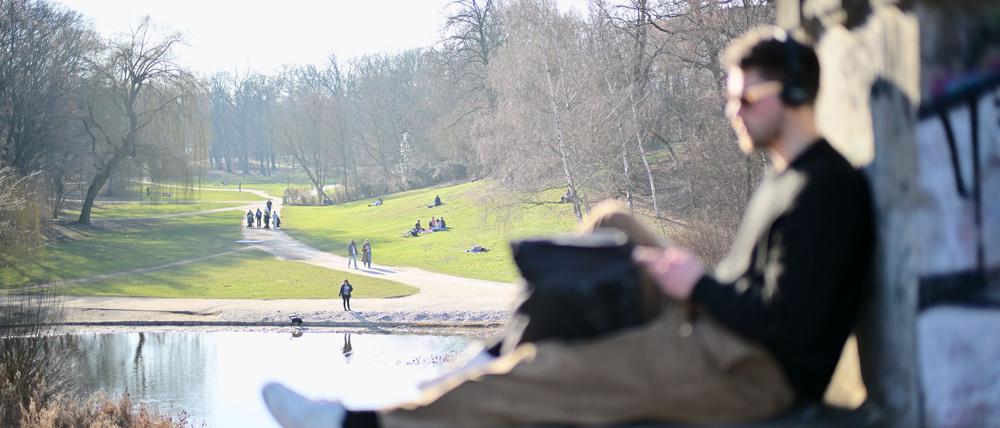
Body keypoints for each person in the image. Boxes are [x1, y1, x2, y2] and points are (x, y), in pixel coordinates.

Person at [262, 26, 875, 428]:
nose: (732, 112)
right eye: (730, 99)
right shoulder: (786, 174)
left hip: (753, 374)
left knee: (550, 372)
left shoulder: (826, 193)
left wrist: (698, 286)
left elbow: (793, 332)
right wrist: (692, 285)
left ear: (793, 91)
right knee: (611, 220)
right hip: (724, 329)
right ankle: (490, 353)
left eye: (747, 99)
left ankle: (358, 423)